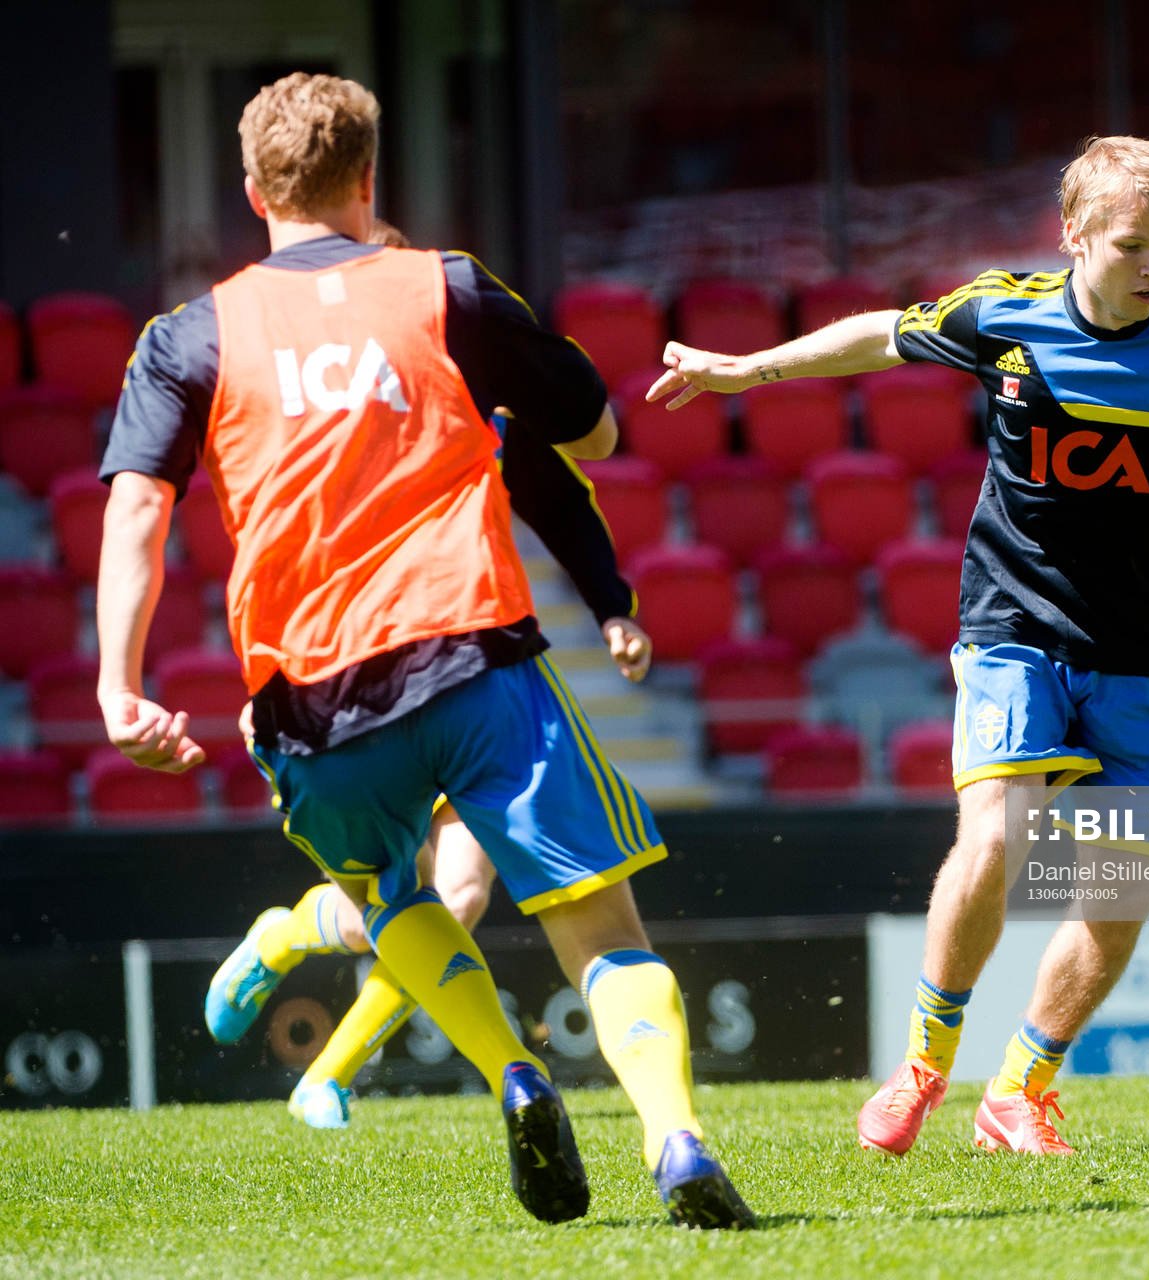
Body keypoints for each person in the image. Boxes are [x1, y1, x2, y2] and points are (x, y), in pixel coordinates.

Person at [97, 72, 752, 1229]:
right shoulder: (444, 287)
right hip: (473, 661)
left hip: (308, 697)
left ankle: (509, 1066)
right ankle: (675, 1135)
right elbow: (590, 426)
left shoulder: (186, 334)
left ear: (251, 192)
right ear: (368, 182)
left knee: (396, 897)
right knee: (599, 931)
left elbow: (139, 511)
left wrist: (117, 685)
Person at [648, 134, 1149, 1157]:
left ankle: (1019, 1089)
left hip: (1146, 650)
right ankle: (926, 1065)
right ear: (1073, 235)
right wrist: (745, 370)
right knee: (992, 838)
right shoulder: (1002, 312)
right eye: (1130, 245)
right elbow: (880, 335)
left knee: (1118, 899)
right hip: (1012, 629)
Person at [225, 217, 656, 1135]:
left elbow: (558, 499)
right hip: (349, 681)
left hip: (466, 666)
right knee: (390, 899)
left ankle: (327, 1078)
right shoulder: (327, 414)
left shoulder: (477, 390)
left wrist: (613, 606)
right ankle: (289, 933)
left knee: (456, 893)